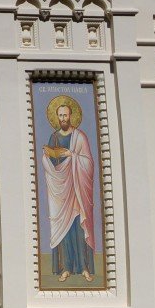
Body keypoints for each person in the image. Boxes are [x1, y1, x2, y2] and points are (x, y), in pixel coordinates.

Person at [41, 95, 97, 281]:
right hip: (60, 190)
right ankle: (66, 268)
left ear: (71, 116)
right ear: (56, 117)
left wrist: (72, 155)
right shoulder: (54, 137)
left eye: (66, 115)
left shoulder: (80, 137)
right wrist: (47, 156)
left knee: (79, 227)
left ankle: (84, 268)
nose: (63, 118)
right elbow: (51, 160)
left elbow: (89, 163)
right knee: (64, 229)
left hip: (77, 188)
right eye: (60, 115)